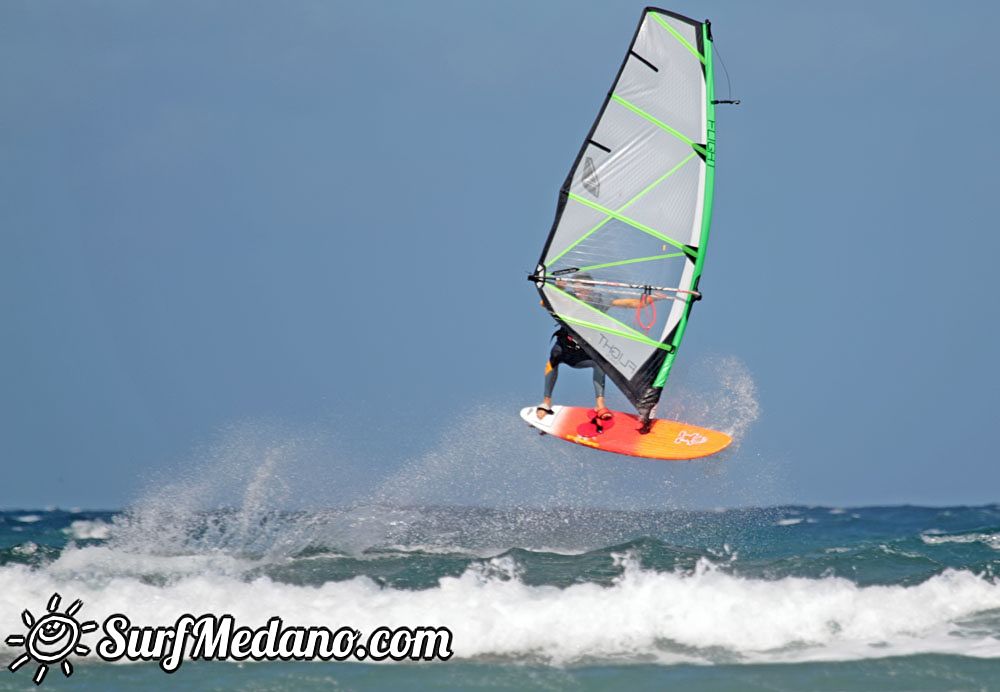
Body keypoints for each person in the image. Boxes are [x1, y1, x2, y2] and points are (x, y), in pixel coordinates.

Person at [536, 275, 661, 421]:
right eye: (576, 286)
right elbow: (544, 303)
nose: (579, 289)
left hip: (584, 352)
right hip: (565, 348)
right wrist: (559, 288)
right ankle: (546, 402)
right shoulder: (566, 297)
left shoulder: (599, 300)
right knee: (553, 358)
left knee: (599, 364)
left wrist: (654, 298)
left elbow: (630, 303)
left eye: (583, 286)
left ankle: (600, 406)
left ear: (591, 288)